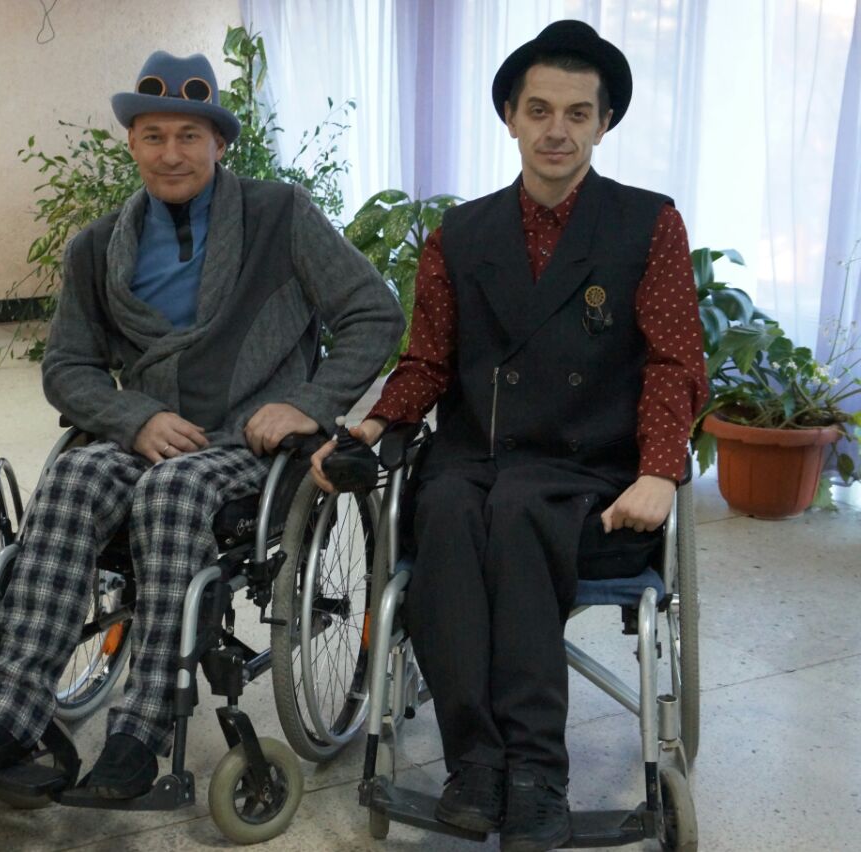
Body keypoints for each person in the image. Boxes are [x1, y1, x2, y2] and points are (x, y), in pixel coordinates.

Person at [0, 50, 403, 797]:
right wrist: (135, 416)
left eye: (190, 136)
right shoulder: (96, 246)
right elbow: (68, 366)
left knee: (171, 493)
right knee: (75, 476)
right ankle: (11, 713)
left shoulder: (280, 215)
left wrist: (310, 403)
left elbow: (375, 312)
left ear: (220, 144)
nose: (171, 153)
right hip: (151, 435)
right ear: (132, 143)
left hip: (253, 443)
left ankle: (141, 725)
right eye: (154, 136)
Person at [311, 20, 707, 852]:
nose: (556, 130)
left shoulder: (648, 225)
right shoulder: (461, 234)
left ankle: (534, 774)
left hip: (589, 466)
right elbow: (428, 360)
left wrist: (660, 470)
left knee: (522, 510)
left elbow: (675, 362)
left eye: (577, 113)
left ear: (604, 124)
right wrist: (373, 421)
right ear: (510, 117)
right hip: (476, 455)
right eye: (539, 110)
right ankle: (475, 766)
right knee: (445, 511)